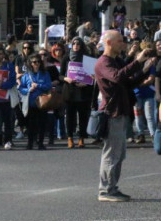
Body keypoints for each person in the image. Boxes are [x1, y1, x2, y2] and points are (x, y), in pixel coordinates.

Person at [94, 30, 153, 201]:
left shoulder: (116, 61)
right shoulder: (104, 62)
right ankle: (105, 190)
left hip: (121, 111)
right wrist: (137, 61)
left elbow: (128, 82)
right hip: (112, 112)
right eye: (120, 41)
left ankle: (112, 187)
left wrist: (146, 68)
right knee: (111, 154)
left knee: (118, 154)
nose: (124, 43)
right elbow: (118, 77)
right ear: (109, 43)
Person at [61, 37, 93, 148]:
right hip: (70, 91)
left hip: (83, 91)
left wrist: (87, 83)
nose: (75, 46)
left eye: (78, 44)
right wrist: (66, 79)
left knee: (83, 117)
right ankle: (70, 138)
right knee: (70, 116)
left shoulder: (87, 58)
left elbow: (93, 76)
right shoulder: (66, 58)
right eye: (73, 43)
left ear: (81, 46)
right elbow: (60, 75)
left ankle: (81, 138)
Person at [19, 54, 52, 150]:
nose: (36, 64)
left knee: (42, 124)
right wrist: (29, 89)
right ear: (30, 63)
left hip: (42, 103)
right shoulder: (26, 75)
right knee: (30, 125)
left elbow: (48, 85)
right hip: (31, 103)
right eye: (34, 62)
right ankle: (30, 143)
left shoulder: (45, 74)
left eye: (38, 61)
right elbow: (21, 88)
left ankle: (40, 143)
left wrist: (38, 86)